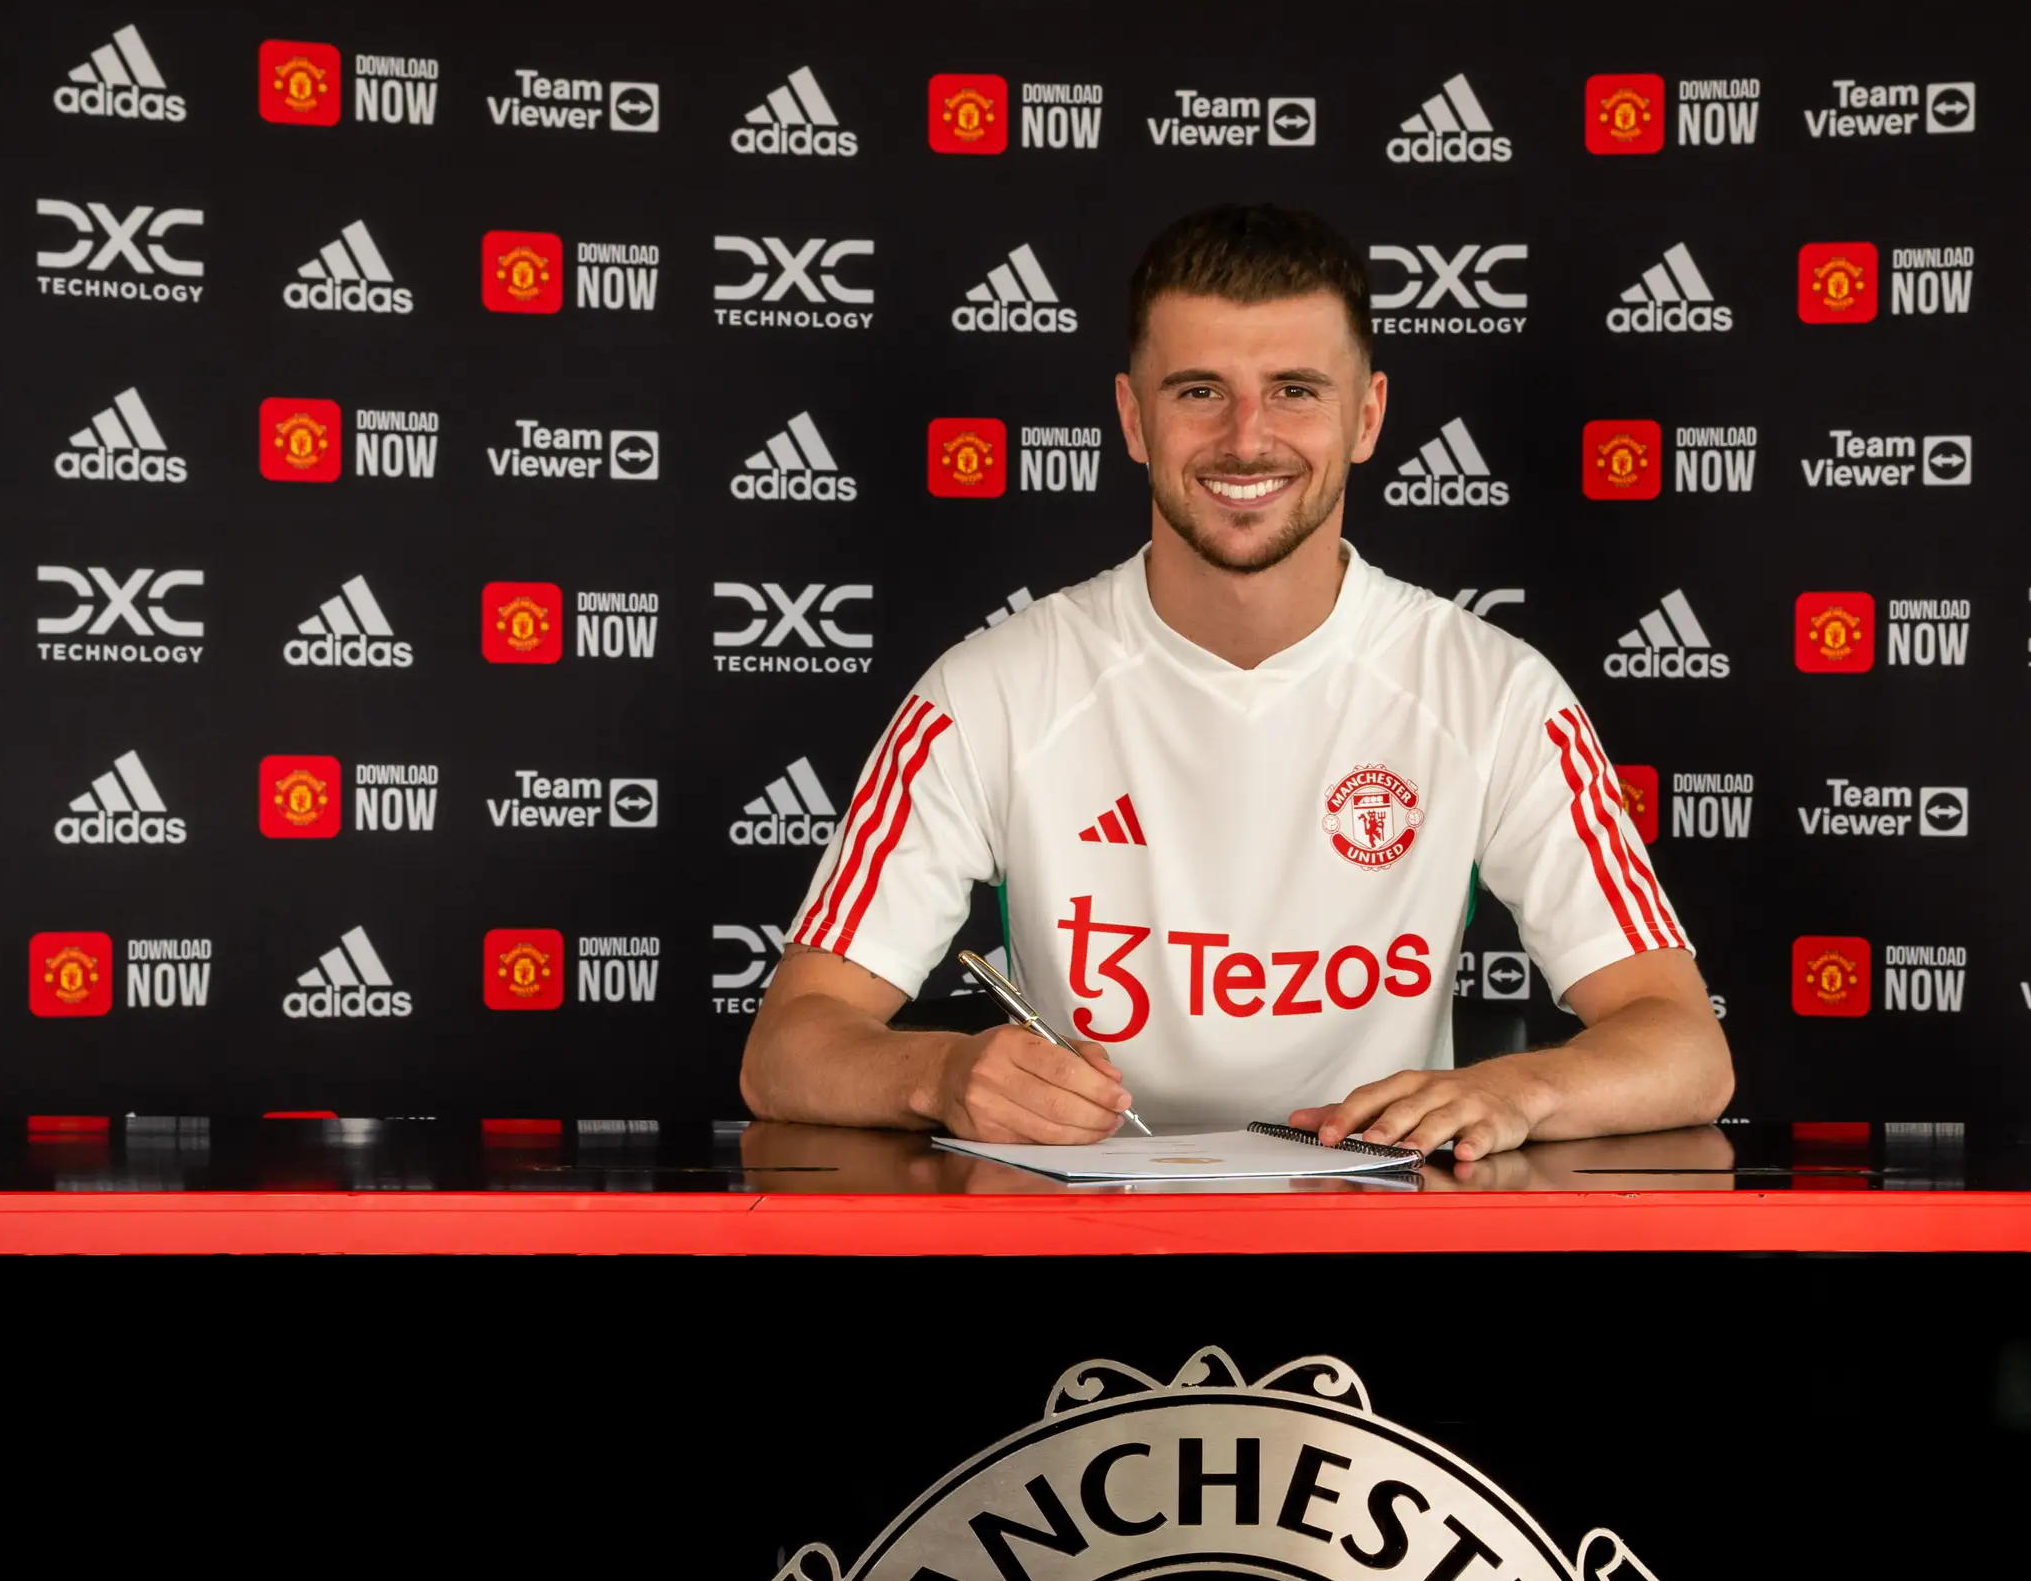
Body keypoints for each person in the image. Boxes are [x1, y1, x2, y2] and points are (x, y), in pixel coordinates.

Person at [738, 202, 1730, 1163]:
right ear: (1133, 417)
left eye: (1296, 388)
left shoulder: (1493, 691)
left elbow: (1686, 1046)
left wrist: (1515, 1089)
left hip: (1376, 1257)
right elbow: (789, 1047)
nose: (1247, 437)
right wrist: (947, 1074)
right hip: (1081, 1257)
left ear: (1368, 415)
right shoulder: (989, 690)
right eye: (1198, 390)